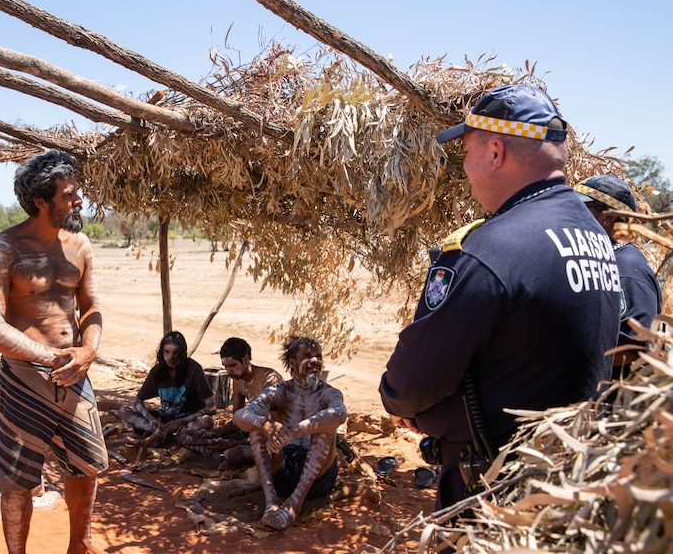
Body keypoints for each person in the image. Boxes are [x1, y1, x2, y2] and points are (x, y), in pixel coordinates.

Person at [379, 85, 621, 512]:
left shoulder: (490, 250)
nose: (466, 170)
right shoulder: (592, 237)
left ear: (494, 152)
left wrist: (404, 403)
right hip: (565, 483)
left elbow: (412, 384)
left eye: (467, 153)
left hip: (494, 494)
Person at [0, 150, 108, 554]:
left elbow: (92, 305)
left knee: (86, 465)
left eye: (76, 192)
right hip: (23, 377)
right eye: (69, 195)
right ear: (40, 201)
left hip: (75, 373)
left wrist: (89, 350)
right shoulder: (6, 249)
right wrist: (50, 358)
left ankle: (79, 546)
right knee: (17, 479)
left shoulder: (80, 245)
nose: (79, 201)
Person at [234, 336, 347, 531]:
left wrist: (293, 430)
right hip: (283, 471)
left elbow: (340, 414)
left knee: (325, 424)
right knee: (257, 425)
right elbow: (239, 416)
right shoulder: (280, 392)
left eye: (318, 356)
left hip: (318, 479)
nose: (315, 361)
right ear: (292, 362)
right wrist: (266, 425)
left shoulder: (329, 392)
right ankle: (271, 503)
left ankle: (293, 506)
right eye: (308, 356)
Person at [575, 174, 663, 377]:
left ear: (607, 217)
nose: (571, 214)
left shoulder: (626, 269)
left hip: (611, 403)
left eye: (580, 209)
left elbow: (635, 347)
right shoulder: (608, 259)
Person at [178, 337, 283, 467]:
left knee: (233, 454)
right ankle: (221, 455)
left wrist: (233, 444)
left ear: (246, 359)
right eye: (226, 366)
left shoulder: (269, 381)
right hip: (247, 432)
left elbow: (272, 429)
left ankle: (225, 456)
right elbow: (236, 421)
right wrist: (213, 433)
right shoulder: (238, 379)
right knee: (186, 437)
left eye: (232, 365)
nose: (228, 371)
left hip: (271, 438)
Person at [115, 331, 216, 455]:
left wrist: (180, 421)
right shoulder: (158, 371)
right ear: (161, 352)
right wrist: (151, 420)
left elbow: (211, 407)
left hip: (187, 421)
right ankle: (163, 433)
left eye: (175, 353)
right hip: (164, 421)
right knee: (124, 410)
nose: (170, 357)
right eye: (166, 352)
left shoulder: (194, 369)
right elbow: (137, 401)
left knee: (207, 421)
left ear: (182, 354)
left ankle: (165, 435)